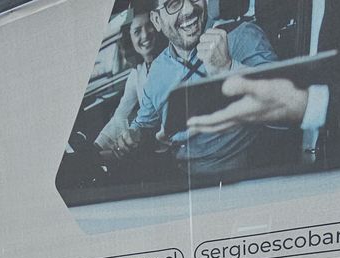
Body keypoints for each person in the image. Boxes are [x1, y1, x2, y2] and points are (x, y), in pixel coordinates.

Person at [185, 0, 340, 170]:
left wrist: (307, 104)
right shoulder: (275, 11)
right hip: (294, 178)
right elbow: (279, 90)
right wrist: (228, 68)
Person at [113, 0, 278, 179]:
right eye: (174, 3)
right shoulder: (156, 72)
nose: (190, 8)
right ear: (157, 20)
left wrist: (228, 67)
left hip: (244, 177)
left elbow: (287, 108)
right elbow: (144, 124)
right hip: (181, 182)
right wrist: (133, 134)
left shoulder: (242, 36)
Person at [95, 3, 167, 153]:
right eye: (137, 31)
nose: (145, 35)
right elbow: (120, 115)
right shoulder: (137, 73)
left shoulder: (169, 61)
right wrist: (98, 146)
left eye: (149, 26)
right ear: (130, 40)